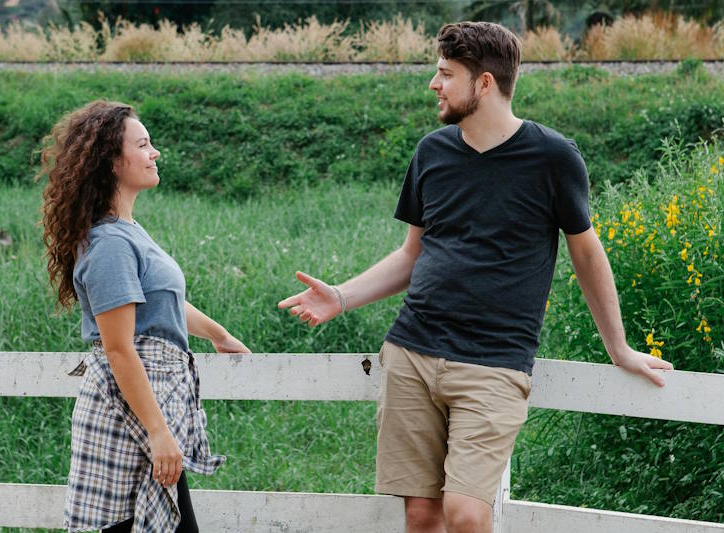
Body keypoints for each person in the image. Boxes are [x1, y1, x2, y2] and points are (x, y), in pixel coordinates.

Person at [278, 21, 673, 533]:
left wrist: (617, 348)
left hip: (493, 364)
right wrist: (341, 296)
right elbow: (411, 256)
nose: (433, 84)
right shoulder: (432, 152)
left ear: (484, 83)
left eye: (445, 73)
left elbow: (587, 255)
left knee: (466, 514)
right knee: (420, 516)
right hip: (413, 352)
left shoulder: (554, 158)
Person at [39, 100, 250, 532]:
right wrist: (158, 433)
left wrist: (218, 333)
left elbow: (161, 302)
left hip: (151, 406)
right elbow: (118, 348)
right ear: (113, 162)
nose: (155, 153)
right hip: (129, 414)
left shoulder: (129, 232)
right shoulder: (111, 244)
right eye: (144, 144)